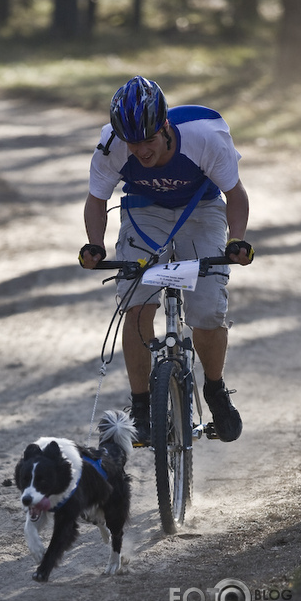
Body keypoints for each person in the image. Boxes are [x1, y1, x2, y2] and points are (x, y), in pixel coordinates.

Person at [79, 75, 254, 447]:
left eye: (149, 140)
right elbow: (97, 199)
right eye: (133, 142)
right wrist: (94, 244)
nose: (141, 151)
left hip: (201, 208)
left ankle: (215, 389)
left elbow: (234, 194)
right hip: (144, 211)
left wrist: (236, 239)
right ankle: (142, 406)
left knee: (206, 309)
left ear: (166, 127)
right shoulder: (112, 146)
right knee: (137, 304)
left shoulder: (204, 137)